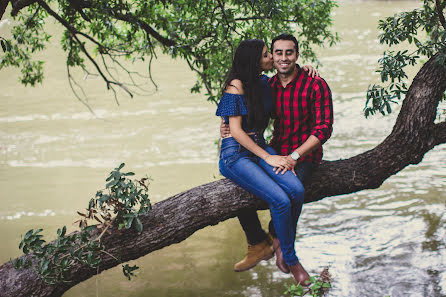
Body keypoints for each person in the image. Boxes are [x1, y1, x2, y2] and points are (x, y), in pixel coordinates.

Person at [220, 34, 333, 278]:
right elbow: (235, 130)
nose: (275, 58)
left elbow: (323, 127)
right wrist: (267, 156)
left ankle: (269, 243)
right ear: (256, 59)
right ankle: (291, 259)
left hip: (263, 147)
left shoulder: (264, 84)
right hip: (239, 153)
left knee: (297, 190)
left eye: (285, 53)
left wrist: (306, 70)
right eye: (269, 54)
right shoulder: (238, 85)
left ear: (296, 55)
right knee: (280, 200)